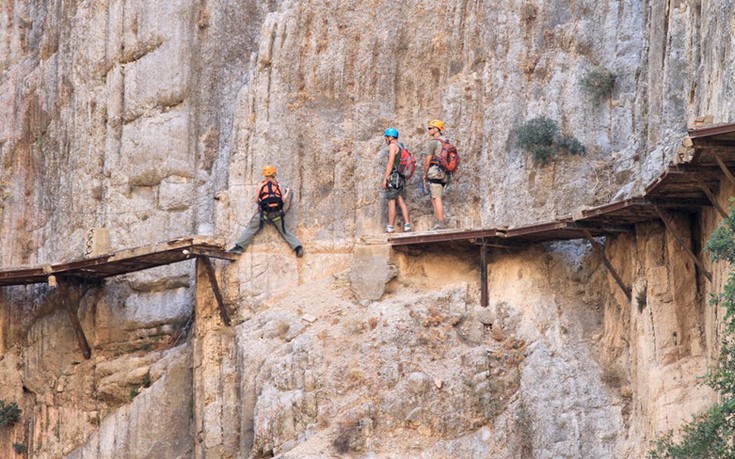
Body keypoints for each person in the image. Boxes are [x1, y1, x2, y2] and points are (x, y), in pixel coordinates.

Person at [228, 165, 304, 257]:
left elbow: (256, 200)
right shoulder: (278, 185)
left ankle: (239, 247)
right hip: (276, 214)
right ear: (274, 173)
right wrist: (287, 191)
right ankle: (298, 247)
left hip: (264, 213)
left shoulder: (261, 185)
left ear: (264, 174)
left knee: (251, 228)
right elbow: (282, 200)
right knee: (285, 231)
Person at [381, 128, 411, 233]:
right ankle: (407, 225)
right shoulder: (401, 146)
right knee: (401, 200)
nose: (385, 139)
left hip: (394, 178)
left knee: (391, 202)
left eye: (386, 137)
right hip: (401, 178)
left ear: (390, 137)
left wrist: (385, 178)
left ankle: (390, 227)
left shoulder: (392, 146)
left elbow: (390, 163)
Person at [422, 119, 449, 229]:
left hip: (435, 172)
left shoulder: (433, 142)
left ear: (436, 129)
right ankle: (439, 219)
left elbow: (427, 161)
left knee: (436, 197)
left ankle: (441, 222)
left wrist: (424, 174)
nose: (428, 130)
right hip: (444, 172)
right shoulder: (445, 141)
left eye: (430, 128)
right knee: (434, 196)